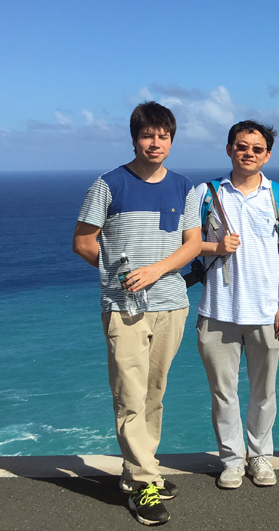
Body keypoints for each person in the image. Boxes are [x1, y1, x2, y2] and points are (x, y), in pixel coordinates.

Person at [72, 102, 201, 526]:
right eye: (148, 135)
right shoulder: (109, 185)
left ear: (171, 140)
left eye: (163, 136)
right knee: (130, 395)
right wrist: (117, 275)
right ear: (135, 138)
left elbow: (192, 244)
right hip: (124, 309)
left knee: (153, 393)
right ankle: (145, 480)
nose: (156, 143)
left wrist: (157, 270)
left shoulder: (184, 186)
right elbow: (84, 241)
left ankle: (137, 469)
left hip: (171, 303)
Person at [195, 121, 279, 489]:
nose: (249, 153)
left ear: (267, 155)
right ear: (229, 149)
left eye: (257, 149)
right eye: (242, 146)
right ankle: (230, 459)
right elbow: (186, 244)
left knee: (264, 393)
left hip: (266, 310)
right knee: (223, 392)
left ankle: (260, 456)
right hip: (216, 310)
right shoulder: (205, 193)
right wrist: (215, 247)